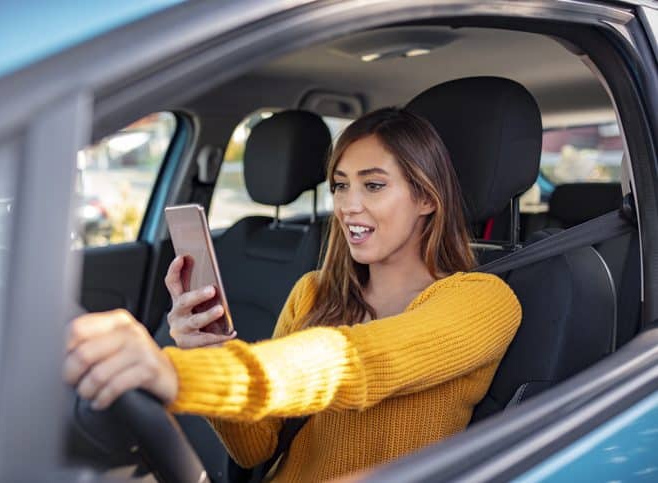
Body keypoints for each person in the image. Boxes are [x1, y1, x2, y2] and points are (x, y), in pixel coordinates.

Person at [64, 107, 521, 482]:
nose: (348, 205)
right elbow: (255, 450)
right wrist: (213, 347)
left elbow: (357, 363)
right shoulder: (314, 292)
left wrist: (174, 371)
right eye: (341, 185)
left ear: (427, 198)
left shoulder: (482, 300)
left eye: (374, 185)